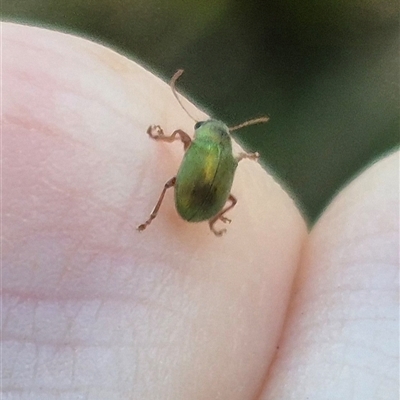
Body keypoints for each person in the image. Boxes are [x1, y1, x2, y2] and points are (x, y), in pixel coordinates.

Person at [3, 23, 398, 399]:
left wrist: (165, 138)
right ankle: (210, 219)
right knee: (223, 196)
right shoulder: (227, 154)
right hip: (204, 205)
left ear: (201, 133)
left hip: (193, 201)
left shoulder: (205, 145)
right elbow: (225, 180)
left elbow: (184, 141)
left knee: (167, 183)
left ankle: (159, 217)